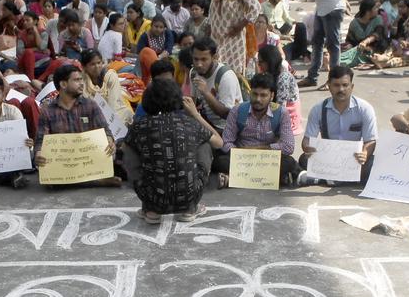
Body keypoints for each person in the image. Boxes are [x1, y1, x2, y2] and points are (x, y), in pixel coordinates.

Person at [123, 77, 220, 222]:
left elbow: (125, 150)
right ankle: (190, 209)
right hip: (189, 195)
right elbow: (219, 142)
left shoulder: (140, 125)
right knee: (205, 144)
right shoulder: (190, 124)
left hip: (152, 197)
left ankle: (150, 210)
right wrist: (195, 114)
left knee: (130, 147)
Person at [33, 64, 118, 187]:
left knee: (115, 153)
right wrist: (39, 154)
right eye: (77, 80)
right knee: (41, 162)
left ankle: (83, 180)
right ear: (63, 84)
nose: (82, 83)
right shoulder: (47, 111)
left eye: (81, 79)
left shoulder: (90, 105)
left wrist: (110, 142)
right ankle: (96, 181)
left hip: (88, 159)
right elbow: (41, 140)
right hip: (63, 162)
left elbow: (105, 131)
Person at [215, 73, 298, 188]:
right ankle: (273, 178)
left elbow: (289, 146)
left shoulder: (281, 113)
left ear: (272, 96)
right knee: (220, 161)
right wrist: (242, 154)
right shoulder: (237, 111)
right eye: (255, 94)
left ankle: (234, 179)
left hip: (268, 158)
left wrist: (261, 150)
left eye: (263, 95)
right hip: (242, 158)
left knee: (288, 162)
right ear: (250, 93)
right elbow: (226, 142)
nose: (258, 99)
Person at [299, 65, 376, 184]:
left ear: (352, 87)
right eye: (336, 85)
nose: (341, 89)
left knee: (373, 163)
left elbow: (370, 140)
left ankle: (322, 179)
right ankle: (342, 180)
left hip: (354, 160)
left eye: (345, 85)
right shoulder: (318, 109)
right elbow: (307, 139)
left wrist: (365, 153)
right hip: (328, 160)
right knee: (304, 159)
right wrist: (307, 148)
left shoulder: (365, 109)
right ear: (328, 86)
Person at [208, 0, 261, 82]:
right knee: (215, 75)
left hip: (233, 39)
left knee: (232, 75)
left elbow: (255, 8)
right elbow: (212, 12)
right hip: (216, 37)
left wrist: (240, 25)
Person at [188, 37, 244, 134]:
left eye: (204, 59)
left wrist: (206, 93)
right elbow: (192, 102)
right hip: (209, 123)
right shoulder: (194, 73)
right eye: (195, 59)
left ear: (214, 57)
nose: (199, 64)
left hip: (228, 127)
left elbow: (227, 115)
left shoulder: (226, 76)